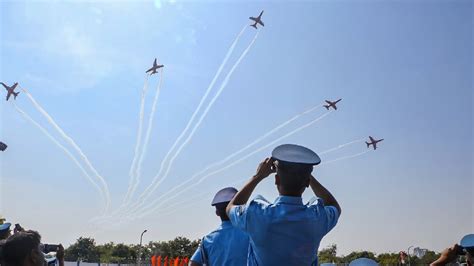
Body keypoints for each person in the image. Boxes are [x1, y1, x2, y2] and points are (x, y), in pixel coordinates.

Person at [226, 144, 341, 266]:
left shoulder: (256, 214)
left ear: (276, 180)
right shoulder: (317, 217)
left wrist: (258, 176)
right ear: (307, 183)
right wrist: (305, 174)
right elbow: (334, 206)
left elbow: (231, 207)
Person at [190, 187, 250, 266]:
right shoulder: (251, 233)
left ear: (217, 212)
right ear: (239, 208)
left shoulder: (208, 240)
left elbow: (193, 264)